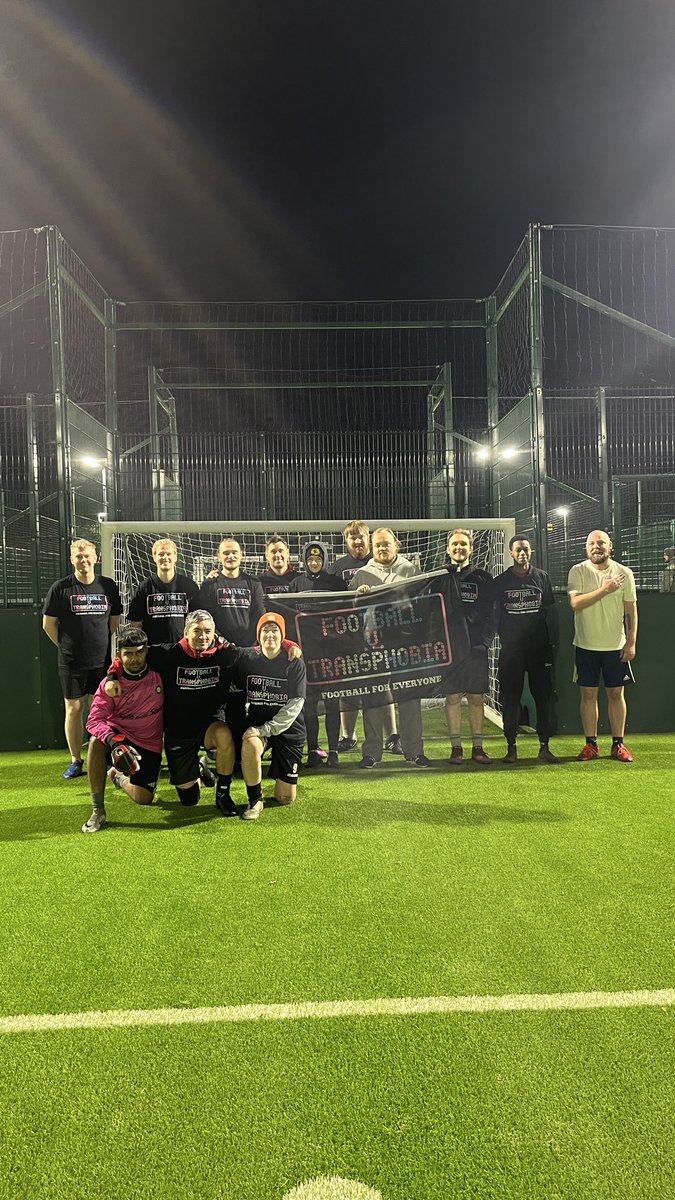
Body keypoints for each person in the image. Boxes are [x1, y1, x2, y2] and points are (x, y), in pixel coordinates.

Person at [105, 610, 238, 812]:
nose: (202, 636)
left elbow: (258, 653)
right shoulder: (167, 654)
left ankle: (223, 794)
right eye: (197, 631)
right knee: (189, 799)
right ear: (185, 632)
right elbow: (134, 655)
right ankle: (199, 766)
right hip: (179, 731)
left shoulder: (226, 655)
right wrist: (112, 675)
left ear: (214, 634)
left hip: (210, 725)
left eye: (207, 631)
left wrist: (289, 646)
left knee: (224, 735)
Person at [42, 538, 123, 778]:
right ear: (71, 559)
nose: (83, 560)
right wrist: (67, 646)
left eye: (87, 556)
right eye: (78, 556)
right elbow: (48, 625)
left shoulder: (108, 586)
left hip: (101, 662)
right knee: (74, 709)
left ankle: (103, 757)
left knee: (101, 710)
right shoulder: (61, 588)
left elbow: (114, 621)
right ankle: (76, 760)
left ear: (95, 557)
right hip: (71, 663)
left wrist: (95, 644)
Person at [350, 527, 430, 768]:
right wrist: (358, 597)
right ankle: (372, 753)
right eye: (377, 545)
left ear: (396, 545)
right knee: (372, 698)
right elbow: (348, 609)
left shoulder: (411, 570)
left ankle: (414, 751)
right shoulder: (362, 574)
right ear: (372, 549)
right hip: (373, 644)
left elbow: (424, 606)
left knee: (408, 696)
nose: (382, 548)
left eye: (386, 543)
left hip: (405, 644)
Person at [82, 627, 164, 832]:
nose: (134, 659)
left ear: (147, 651)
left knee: (144, 799)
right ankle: (97, 810)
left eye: (139, 652)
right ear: (119, 655)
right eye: (128, 654)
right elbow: (93, 721)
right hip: (120, 737)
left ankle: (117, 776)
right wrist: (114, 742)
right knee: (95, 742)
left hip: (149, 743)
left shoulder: (160, 673)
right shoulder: (108, 685)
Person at [568, 529, 637, 762]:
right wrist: (605, 589)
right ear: (586, 548)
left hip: (615, 647)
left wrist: (631, 642)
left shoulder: (624, 573)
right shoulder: (578, 571)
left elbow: (630, 610)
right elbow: (576, 603)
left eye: (601, 543)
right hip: (586, 646)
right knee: (588, 695)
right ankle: (591, 744)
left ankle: (618, 744)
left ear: (611, 546)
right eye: (591, 543)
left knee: (616, 694)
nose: (596, 547)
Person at [494, 536, 559, 764]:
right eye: (518, 550)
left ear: (531, 552)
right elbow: (495, 615)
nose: (522, 553)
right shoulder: (500, 581)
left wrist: (550, 647)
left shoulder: (542, 577)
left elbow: (548, 612)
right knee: (510, 699)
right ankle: (511, 747)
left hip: (538, 651)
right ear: (511, 553)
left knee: (543, 698)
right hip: (512, 652)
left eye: (526, 549)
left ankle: (545, 746)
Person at [236, 613, 307, 820]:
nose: (270, 635)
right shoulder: (248, 658)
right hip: (259, 726)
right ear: (258, 635)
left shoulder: (294, 663)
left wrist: (266, 729)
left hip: (288, 729)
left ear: (283, 637)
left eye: (275, 630)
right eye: (265, 630)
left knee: (285, 798)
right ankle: (255, 799)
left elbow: (295, 705)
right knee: (249, 742)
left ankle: (283, 773)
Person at [199, 537, 267, 752]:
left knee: (251, 702)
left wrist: (251, 647)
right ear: (219, 556)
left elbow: (259, 615)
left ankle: (251, 747)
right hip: (220, 653)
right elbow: (204, 616)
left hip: (247, 653)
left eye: (234, 552)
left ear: (242, 555)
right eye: (226, 553)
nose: (230, 556)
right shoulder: (211, 583)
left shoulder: (253, 583)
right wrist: (220, 642)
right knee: (222, 702)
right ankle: (222, 749)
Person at [290, 540, 347, 767]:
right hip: (307, 656)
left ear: (325, 560)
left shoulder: (336, 583)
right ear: (304, 560)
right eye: (311, 559)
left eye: (319, 559)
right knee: (309, 705)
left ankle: (333, 750)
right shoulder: (296, 584)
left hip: (332, 655)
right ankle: (313, 749)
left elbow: (347, 612)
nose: (314, 562)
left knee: (333, 703)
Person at [444, 529, 497, 765]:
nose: (459, 548)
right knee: (453, 697)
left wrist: (485, 643)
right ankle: (456, 748)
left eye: (463, 544)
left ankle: (478, 747)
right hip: (451, 650)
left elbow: (493, 614)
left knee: (476, 699)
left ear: (471, 549)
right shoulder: (440, 577)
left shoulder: (483, 579)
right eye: (454, 544)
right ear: (448, 549)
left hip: (475, 648)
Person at [127, 537, 200, 643]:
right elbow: (136, 622)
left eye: (169, 554)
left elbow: (197, 619)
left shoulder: (189, 586)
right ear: (154, 557)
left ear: (175, 557)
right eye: (161, 554)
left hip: (183, 651)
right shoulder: (144, 587)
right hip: (154, 651)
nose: (165, 557)